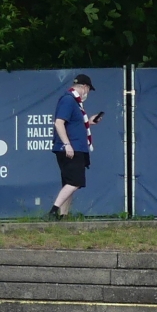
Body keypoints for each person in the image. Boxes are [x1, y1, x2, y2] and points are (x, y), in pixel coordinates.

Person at [49, 74, 102, 219]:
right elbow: (59, 123)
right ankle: (53, 211)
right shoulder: (68, 100)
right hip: (71, 148)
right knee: (75, 182)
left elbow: (73, 124)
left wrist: (89, 122)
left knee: (69, 183)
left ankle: (63, 216)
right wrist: (67, 145)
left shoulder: (75, 102)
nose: (88, 93)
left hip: (76, 147)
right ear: (85, 87)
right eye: (89, 89)